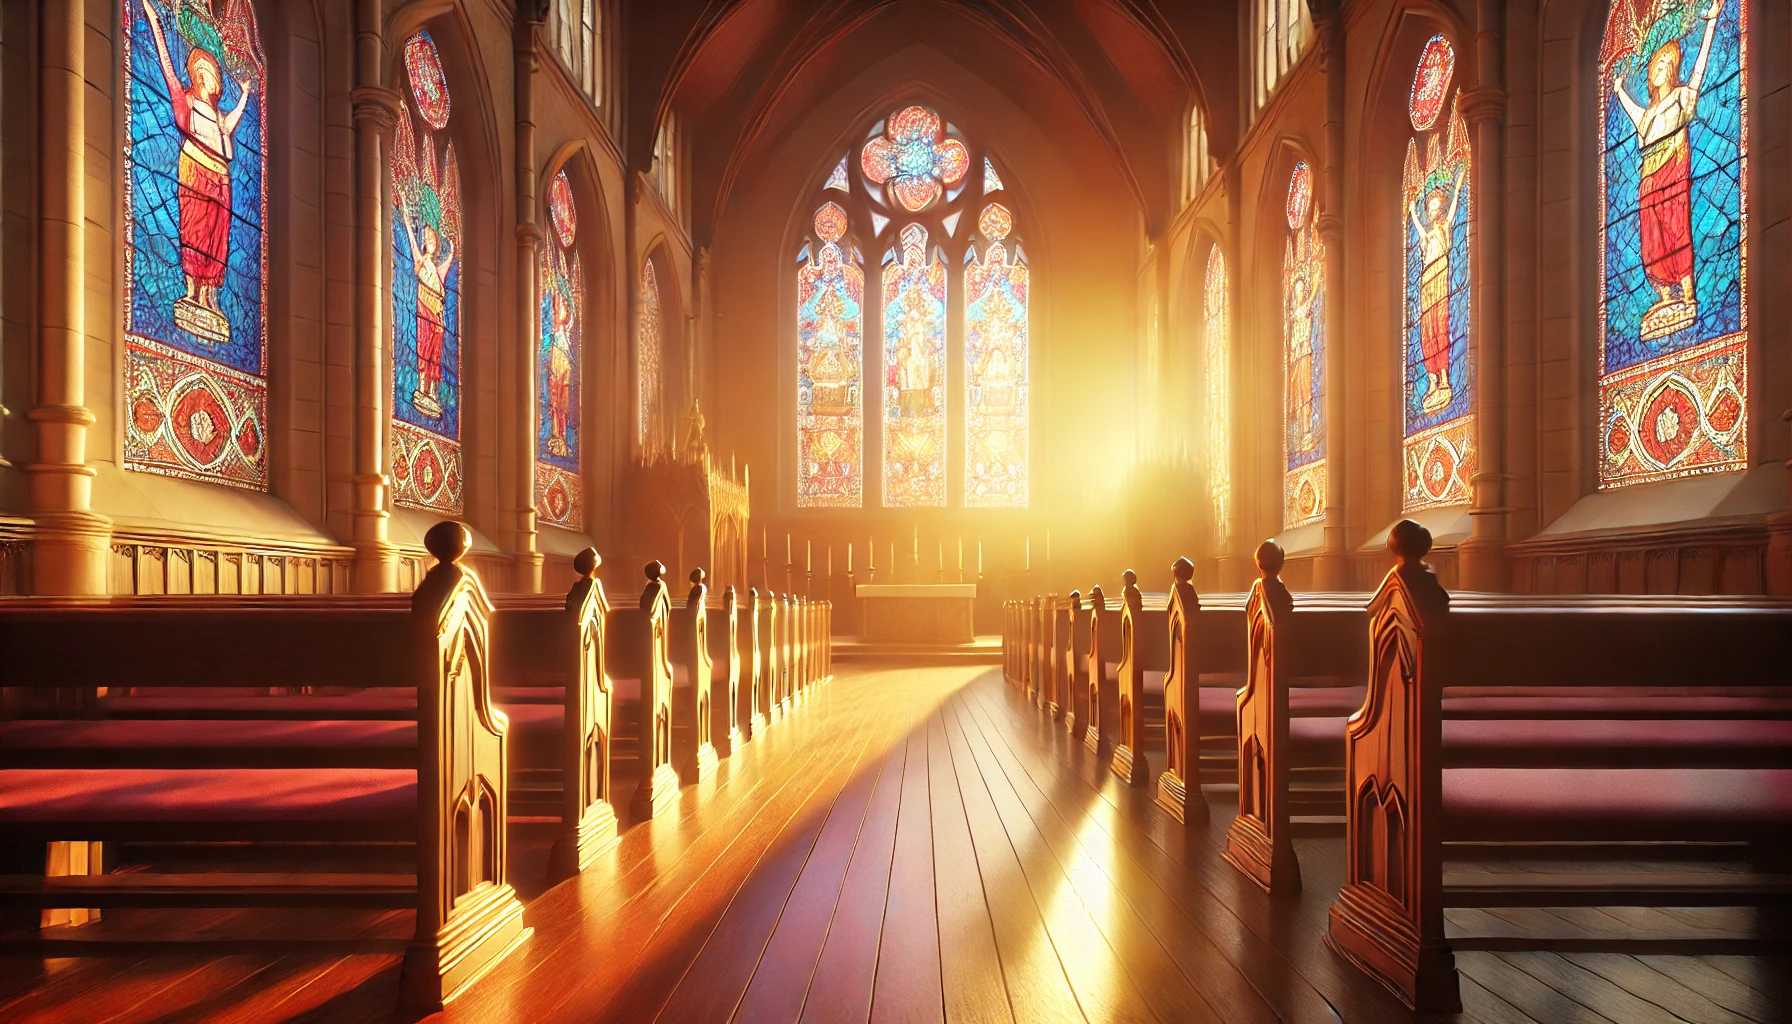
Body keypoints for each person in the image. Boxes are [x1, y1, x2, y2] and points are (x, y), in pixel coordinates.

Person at [143, 0, 252, 339]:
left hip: (221, 179)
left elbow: (232, 122)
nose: (211, 76)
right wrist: (155, 22)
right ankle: (192, 292)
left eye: (213, 72)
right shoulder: (186, 99)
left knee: (217, 238)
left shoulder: (218, 117)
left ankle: (210, 297)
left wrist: (246, 94)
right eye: (205, 70)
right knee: (194, 230)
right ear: (197, 74)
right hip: (195, 170)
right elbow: (166, 65)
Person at [1611, 0, 1723, 326]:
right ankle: (1665, 297)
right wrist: (1618, 90)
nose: (1660, 69)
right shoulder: (1648, 115)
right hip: (1648, 177)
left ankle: (1688, 294)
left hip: (1673, 166)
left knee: (1676, 229)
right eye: (1656, 65)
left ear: (1673, 70)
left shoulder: (1680, 97)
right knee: (1652, 239)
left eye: (1666, 64)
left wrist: (1711, 24)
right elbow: (1634, 114)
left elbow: (1699, 71)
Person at [1409, 167, 1467, 414]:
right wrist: (1412, 211)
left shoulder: (1445, 229)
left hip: (1440, 279)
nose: (1433, 212)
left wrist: (1460, 182)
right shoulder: (1428, 236)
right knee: (1427, 330)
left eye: (1437, 208)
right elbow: (1419, 229)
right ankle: (1432, 380)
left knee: (1441, 327)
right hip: (1426, 284)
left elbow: (1455, 208)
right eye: (1430, 209)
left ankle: (1444, 377)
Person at [400, 195, 456, 419]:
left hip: (438, 315)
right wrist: (406, 217)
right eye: (426, 238)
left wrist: (453, 250)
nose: (429, 240)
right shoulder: (421, 261)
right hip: (424, 311)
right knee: (423, 351)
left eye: (432, 237)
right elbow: (412, 242)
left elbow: (447, 264)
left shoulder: (436, 268)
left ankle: (433, 393)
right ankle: (422, 390)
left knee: (436, 353)